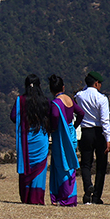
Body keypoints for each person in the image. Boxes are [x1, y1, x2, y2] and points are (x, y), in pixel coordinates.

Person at [11, 74, 51, 205]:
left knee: (26, 168)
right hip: (41, 138)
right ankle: (37, 198)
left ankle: (26, 197)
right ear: (39, 86)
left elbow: (13, 116)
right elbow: (51, 116)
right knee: (39, 169)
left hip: (26, 141)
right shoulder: (45, 101)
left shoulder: (21, 100)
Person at [74, 71, 110, 204]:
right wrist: (108, 139)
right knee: (101, 165)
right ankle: (97, 196)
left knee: (85, 163)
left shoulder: (80, 96)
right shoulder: (102, 99)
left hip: (86, 131)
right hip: (99, 132)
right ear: (96, 83)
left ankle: (87, 187)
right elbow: (105, 120)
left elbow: (79, 94)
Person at [47, 75, 83, 206]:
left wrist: (53, 128)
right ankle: (71, 196)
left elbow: (55, 115)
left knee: (61, 165)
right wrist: (73, 126)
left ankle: (64, 196)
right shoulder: (69, 99)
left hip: (61, 136)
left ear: (51, 89)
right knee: (70, 164)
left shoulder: (56, 103)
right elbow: (81, 113)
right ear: (63, 87)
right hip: (71, 134)